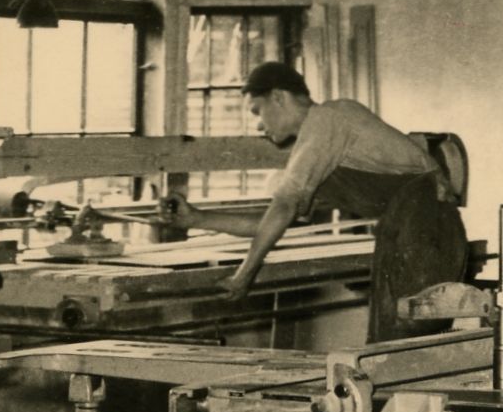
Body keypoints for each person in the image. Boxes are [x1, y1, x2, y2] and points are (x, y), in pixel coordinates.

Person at [160, 61, 468, 343]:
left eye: (257, 110)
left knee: (403, 346)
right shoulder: (319, 145)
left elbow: (282, 208)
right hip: (412, 232)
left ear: (279, 97)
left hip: (425, 231)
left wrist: (244, 275)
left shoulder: (328, 119)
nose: (257, 125)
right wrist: (196, 219)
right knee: (398, 347)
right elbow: (274, 221)